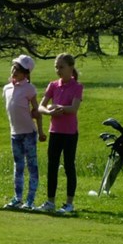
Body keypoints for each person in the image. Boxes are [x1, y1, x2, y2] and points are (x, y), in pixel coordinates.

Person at [37, 53, 83, 213]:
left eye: (61, 67)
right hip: (55, 132)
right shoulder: (53, 85)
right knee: (52, 166)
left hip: (70, 133)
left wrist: (59, 108)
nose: (58, 70)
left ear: (71, 67)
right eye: (56, 67)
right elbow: (40, 107)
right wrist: (49, 112)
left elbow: (74, 108)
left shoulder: (77, 86)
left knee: (69, 166)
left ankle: (69, 203)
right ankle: (50, 201)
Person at [2, 54, 44, 210]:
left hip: (29, 133)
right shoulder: (7, 88)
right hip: (15, 134)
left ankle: (30, 201)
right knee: (17, 166)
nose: (14, 71)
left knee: (32, 166)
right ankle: (17, 198)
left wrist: (40, 131)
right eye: (14, 67)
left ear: (26, 74)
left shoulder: (29, 89)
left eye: (19, 69)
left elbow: (36, 111)